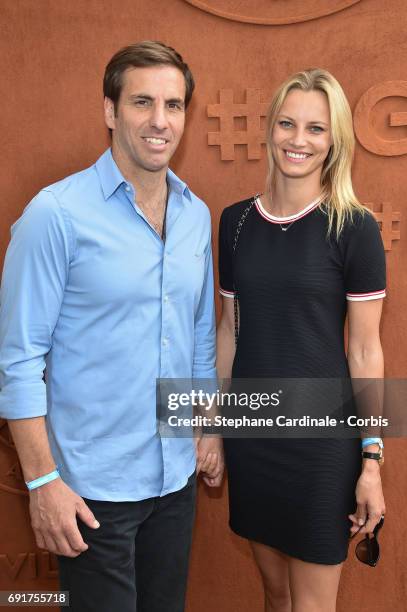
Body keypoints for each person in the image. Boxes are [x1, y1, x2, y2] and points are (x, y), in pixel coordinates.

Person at [0, 41, 223, 612]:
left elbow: (198, 338)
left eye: (174, 105)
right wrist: (41, 483)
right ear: (110, 110)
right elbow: (18, 359)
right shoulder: (56, 215)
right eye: (142, 101)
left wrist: (206, 428)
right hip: (90, 490)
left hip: (174, 479)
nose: (160, 120)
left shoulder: (195, 217)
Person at [216, 68, 386, 612]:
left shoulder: (354, 227)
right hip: (254, 437)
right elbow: (228, 332)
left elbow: (364, 350)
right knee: (274, 595)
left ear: (334, 139)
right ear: (270, 128)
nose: (298, 139)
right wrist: (215, 430)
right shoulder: (236, 222)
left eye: (316, 128)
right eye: (288, 123)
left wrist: (372, 459)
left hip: (321, 449)